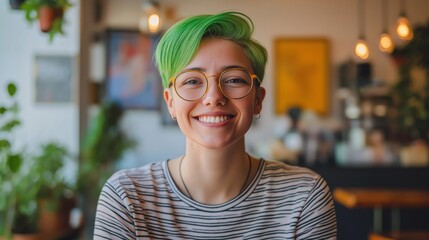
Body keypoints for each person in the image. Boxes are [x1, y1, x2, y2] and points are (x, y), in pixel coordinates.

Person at [94, 11, 337, 239]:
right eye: (192, 81)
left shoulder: (304, 196)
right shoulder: (126, 197)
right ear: (170, 103)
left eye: (233, 79)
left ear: (257, 100)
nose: (213, 96)